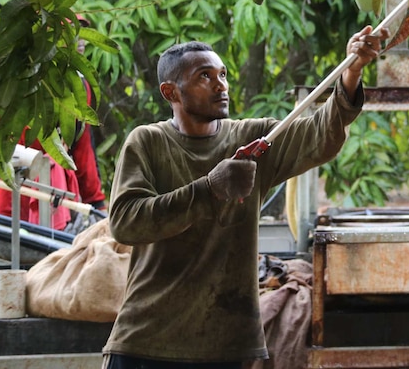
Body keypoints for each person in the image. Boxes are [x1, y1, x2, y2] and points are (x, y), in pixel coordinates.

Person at [102, 25, 388, 369]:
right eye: (204, 76)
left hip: (228, 343)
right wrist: (210, 188)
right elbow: (125, 223)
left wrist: (352, 70)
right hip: (148, 342)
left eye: (222, 74)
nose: (221, 84)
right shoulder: (146, 141)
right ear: (170, 92)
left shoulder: (255, 139)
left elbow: (320, 135)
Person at [0, 14, 106, 230]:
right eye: (71, 35)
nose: (79, 41)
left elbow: (83, 150)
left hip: (58, 190)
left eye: (81, 34)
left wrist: (96, 201)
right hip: (19, 183)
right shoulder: (24, 81)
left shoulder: (81, 87)